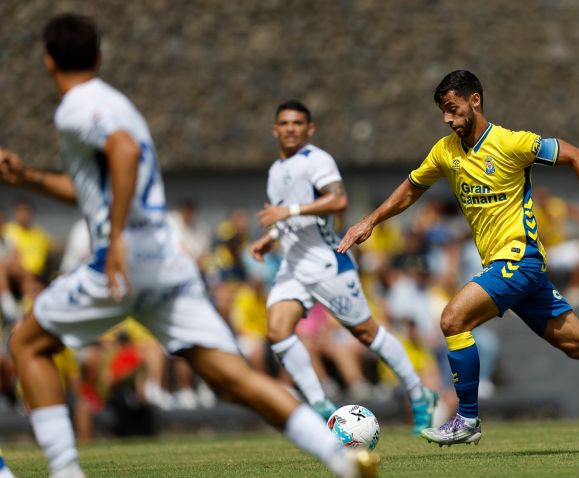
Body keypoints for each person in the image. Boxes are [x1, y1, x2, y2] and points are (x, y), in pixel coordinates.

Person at [0, 14, 377, 478]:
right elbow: (101, 182)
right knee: (233, 378)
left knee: (27, 344)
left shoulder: (76, 105)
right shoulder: (118, 103)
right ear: (99, 58)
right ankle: (342, 457)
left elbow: (123, 152)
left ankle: (65, 472)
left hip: (121, 260)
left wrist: (114, 237)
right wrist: (29, 178)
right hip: (166, 261)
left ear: (48, 61)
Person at [338, 70, 579, 445]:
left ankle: (467, 419)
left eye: (452, 108)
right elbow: (412, 189)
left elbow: (578, 155)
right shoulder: (445, 152)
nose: (448, 118)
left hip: (518, 260)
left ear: (474, 100)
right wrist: (371, 220)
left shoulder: (512, 143)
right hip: (512, 270)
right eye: (443, 112)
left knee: (452, 319)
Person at [250, 100, 437, 434]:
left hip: (326, 262)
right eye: (285, 123)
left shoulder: (317, 160)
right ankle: (320, 406)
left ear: (310, 129)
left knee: (366, 332)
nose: (291, 128)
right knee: (277, 331)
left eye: (298, 123)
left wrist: (288, 213)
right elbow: (287, 215)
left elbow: (338, 201)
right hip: (293, 265)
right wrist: (272, 236)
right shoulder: (275, 171)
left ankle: (419, 394)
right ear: (275, 130)